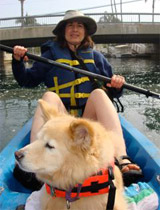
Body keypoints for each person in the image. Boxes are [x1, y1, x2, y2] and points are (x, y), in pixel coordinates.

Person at [12, 10, 142, 190]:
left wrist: (117, 86)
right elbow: (27, 80)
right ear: (63, 31)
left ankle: (121, 158)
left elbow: (112, 92)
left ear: (85, 32)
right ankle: (35, 160)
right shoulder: (50, 56)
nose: (75, 29)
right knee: (49, 96)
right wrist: (18, 61)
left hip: (88, 122)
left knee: (99, 94)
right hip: (61, 120)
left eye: (79, 26)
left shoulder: (97, 57)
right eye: (70, 26)